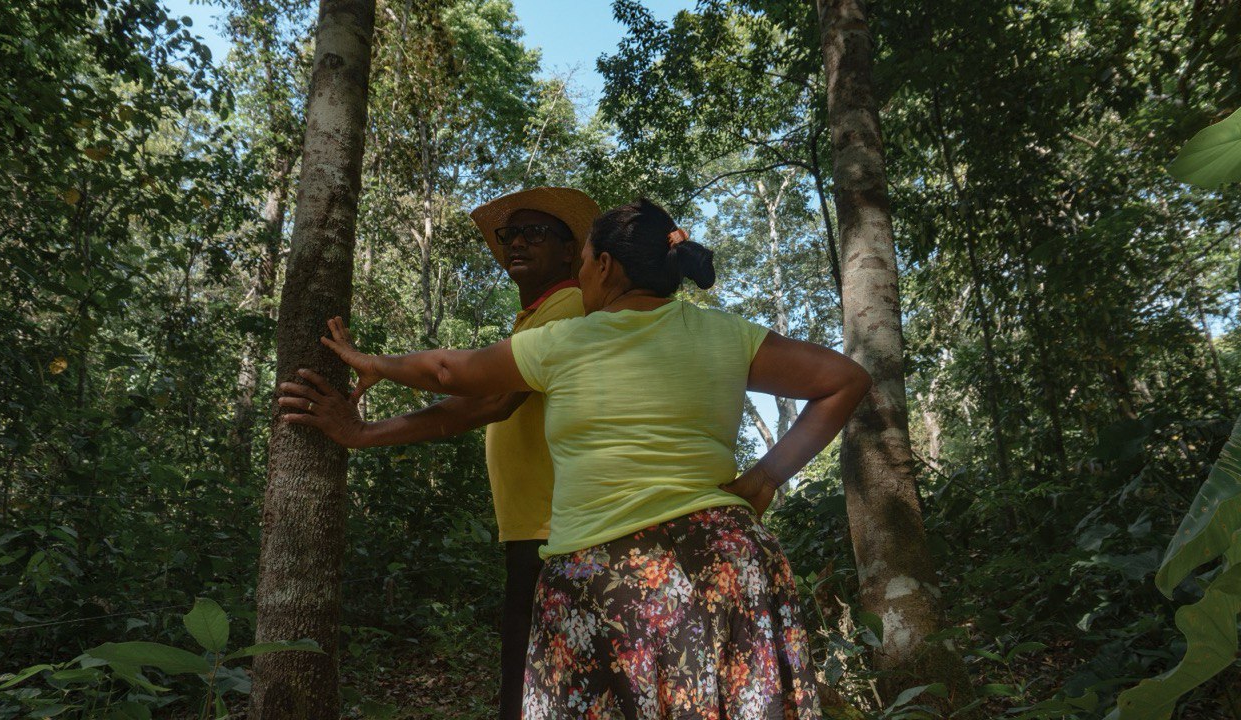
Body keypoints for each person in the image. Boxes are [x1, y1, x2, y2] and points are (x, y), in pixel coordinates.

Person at [286, 198, 872, 717]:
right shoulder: (727, 333)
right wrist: (769, 473)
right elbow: (843, 379)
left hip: (606, 568)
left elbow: (450, 371)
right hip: (727, 558)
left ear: (603, 266)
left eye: (584, 260)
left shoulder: (567, 337)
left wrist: (370, 361)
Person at [277, 187, 598, 720]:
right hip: (542, 529)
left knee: (536, 694)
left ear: (570, 252)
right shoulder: (538, 317)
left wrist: (362, 427)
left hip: (558, 531)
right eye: (510, 234)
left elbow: (485, 400)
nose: (517, 241)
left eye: (536, 232)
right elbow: (476, 400)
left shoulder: (567, 308)